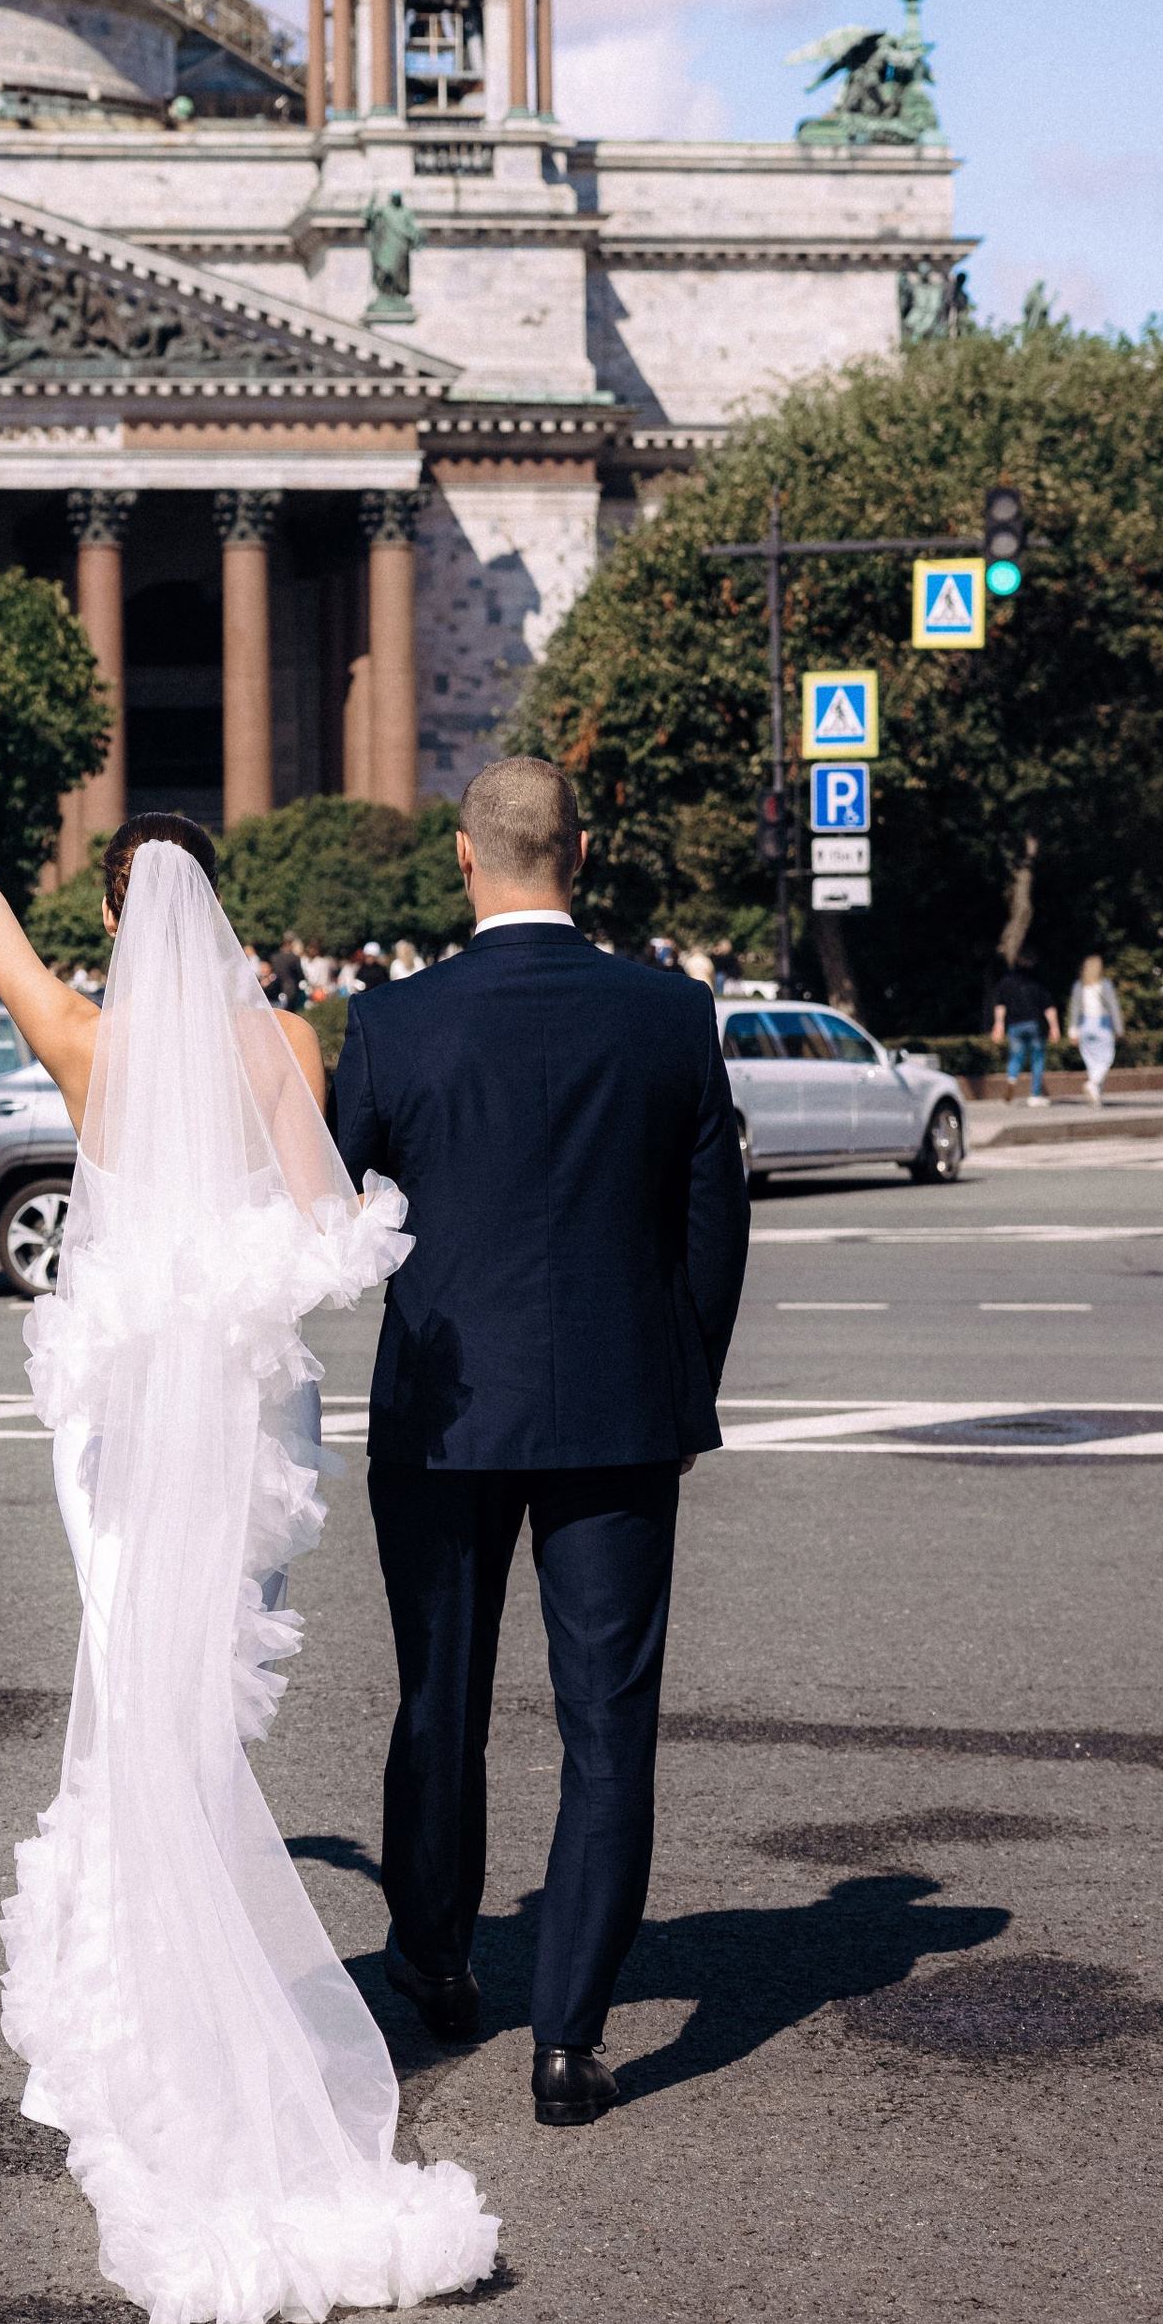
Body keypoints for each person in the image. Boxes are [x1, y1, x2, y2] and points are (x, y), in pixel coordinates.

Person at [0, 687, 495, 2324]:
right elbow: (330, 1234)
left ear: (116, 919)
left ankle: (155, 2006)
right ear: (224, 922)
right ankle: (193, 1982)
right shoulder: (287, 1043)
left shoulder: (80, 1037)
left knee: (133, 1689)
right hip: (250, 1405)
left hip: (119, 1407)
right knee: (196, 1704)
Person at [331, 755, 748, 2134]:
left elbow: (341, 1213)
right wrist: (683, 1387)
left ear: (465, 855)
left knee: (438, 1695)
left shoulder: (394, 1023)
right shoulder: (672, 1014)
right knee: (607, 1725)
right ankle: (568, 2041)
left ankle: (437, 1954)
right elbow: (714, 1224)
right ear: (583, 846)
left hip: (443, 1410)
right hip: (622, 1410)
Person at [990, 950, 1052, 1105]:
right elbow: (1048, 1006)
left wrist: (998, 1025)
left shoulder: (1007, 982)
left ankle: (1011, 1081)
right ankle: (1035, 1095)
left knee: (1016, 1056)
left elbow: (1000, 1005)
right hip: (1034, 1024)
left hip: (1014, 1025)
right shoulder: (1037, 981)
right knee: (1037, 1058)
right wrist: (1054, 1026)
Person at [1066, 954, 1122, 1107]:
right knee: (1106, 1058)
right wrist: (1118, 1028)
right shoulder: (1105, 985)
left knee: (1092, 1062)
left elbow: (1074, 1010)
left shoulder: (1079, 986)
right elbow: (1113, 1008)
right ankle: (1093, 1084)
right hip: (1102, 1024)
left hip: (1084, 1025)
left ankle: (1096, 1095)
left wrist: (1073, 1031)